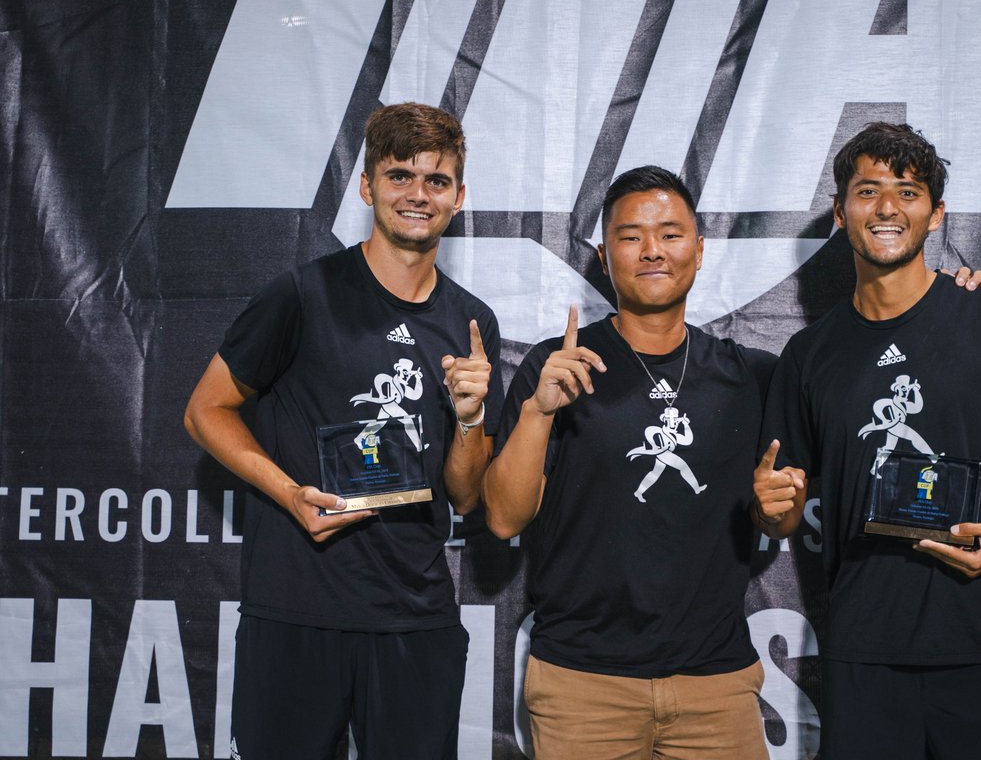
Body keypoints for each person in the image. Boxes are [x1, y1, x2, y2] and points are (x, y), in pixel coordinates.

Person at [755, 122, 981, 760]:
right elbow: (777, 512)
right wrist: (771, 507)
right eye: (868, 191)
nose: (888, 206)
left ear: (935, 214)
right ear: (841, 212)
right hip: (867, 654)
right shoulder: (809, 354)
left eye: (908, 191)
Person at [184, 102, 501, 760]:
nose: (418, 194)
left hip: (415, 618)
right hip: (296, 610)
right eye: (400, 176)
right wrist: (289, 491)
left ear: (459, 197)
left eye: (436, 181)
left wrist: (470, 421)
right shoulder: (301, 294)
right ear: (367, 186)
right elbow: (205, 410)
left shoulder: (472, 322)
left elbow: (468, 497)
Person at [483, 166, 777, 759]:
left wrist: (780, 512)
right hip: (582, 687)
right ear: (602, 255)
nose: (652, 251)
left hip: (717, 686)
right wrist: (540, 411)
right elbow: (503, 519)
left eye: (670, 234)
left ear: (699, 248)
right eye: (630, 235)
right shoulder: (557, 365)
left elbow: (780, 516)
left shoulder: (752, 376)